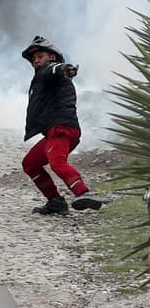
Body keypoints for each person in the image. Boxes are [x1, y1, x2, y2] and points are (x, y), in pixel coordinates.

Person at [19, 36, 101, 215]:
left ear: (52, 57)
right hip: (53, 133)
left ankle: (83, 193)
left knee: (57, 163)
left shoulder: (51, 71)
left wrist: (65, 68)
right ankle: (55, 201)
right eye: (33, 59)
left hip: (62, 129)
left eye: (40, 56)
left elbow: (55, 70)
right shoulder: (42, 77)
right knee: (30, 164)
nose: (36, 60)